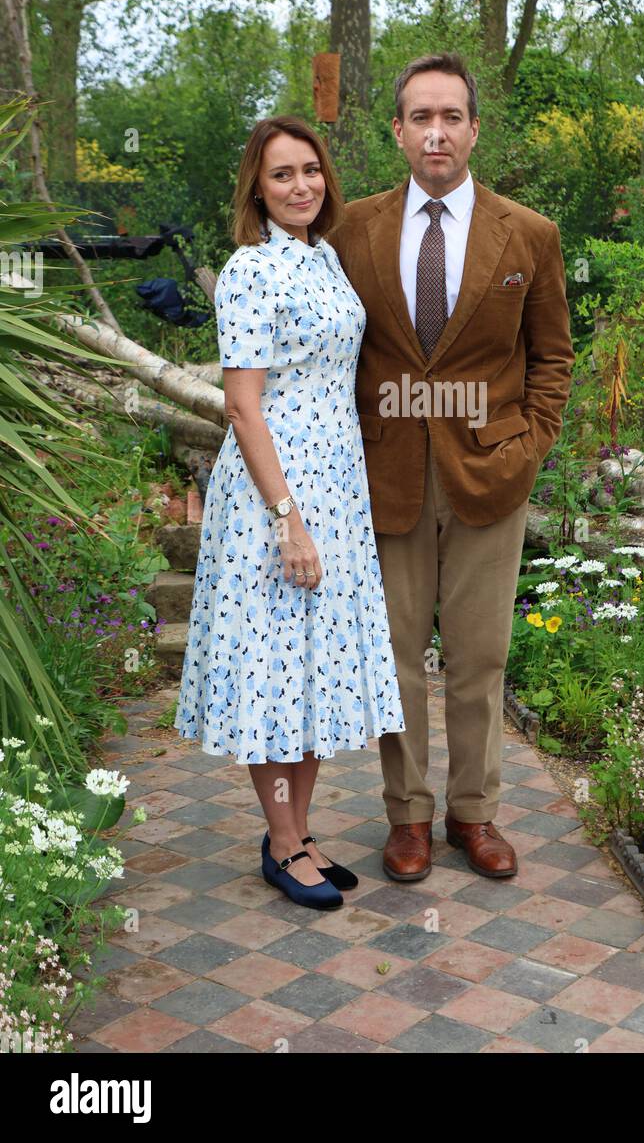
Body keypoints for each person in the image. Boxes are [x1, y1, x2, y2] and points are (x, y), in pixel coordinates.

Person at [326, 52, 574, 882]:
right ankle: (407, 818)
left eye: (452, 117)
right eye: (421, 117)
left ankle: (474, 814)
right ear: (397, 130)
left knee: (479, 657)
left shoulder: (528, 234)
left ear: (474, 129)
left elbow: (553, 357)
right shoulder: (349, 229)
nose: (438, 131)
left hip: (488, 475)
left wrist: (528, 445)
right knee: (395, 657)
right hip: (382, 472)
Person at [174, 116, 406, 909]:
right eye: (282, 175)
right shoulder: (249, 270)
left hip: (336, 490)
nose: (301, 185)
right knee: (272, 673)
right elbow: (242, 407)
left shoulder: (327, 257)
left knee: (310, 671)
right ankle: (279, 843)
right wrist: (287, 519)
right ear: (257, 188)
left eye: (310, 170)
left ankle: (300, 835)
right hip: (275, 499)